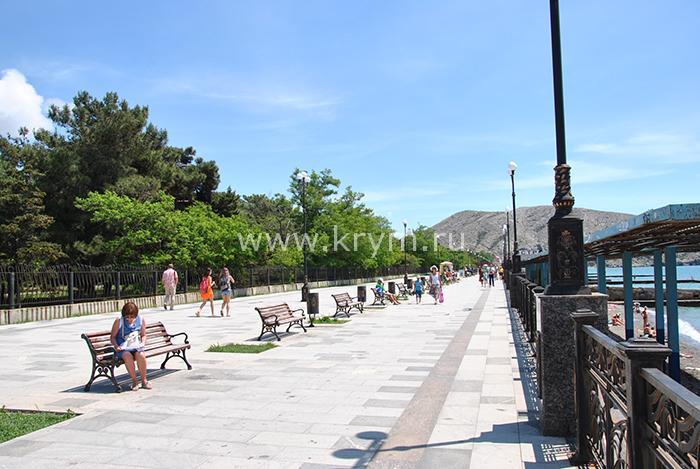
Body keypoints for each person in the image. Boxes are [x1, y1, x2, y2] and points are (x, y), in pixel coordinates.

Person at [110, 302, 151, 391]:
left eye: (132, 317)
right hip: (123, 348)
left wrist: (143, 343)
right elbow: (112, 337)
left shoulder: (140, 319)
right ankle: (134, 381)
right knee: (127, 356)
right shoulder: (119, 321)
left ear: (136, 315)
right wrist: (116, 346)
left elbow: (143, 335)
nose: (129, 319)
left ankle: (144, 380)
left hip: (136, 346)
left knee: (141, 355)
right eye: (127, 317)